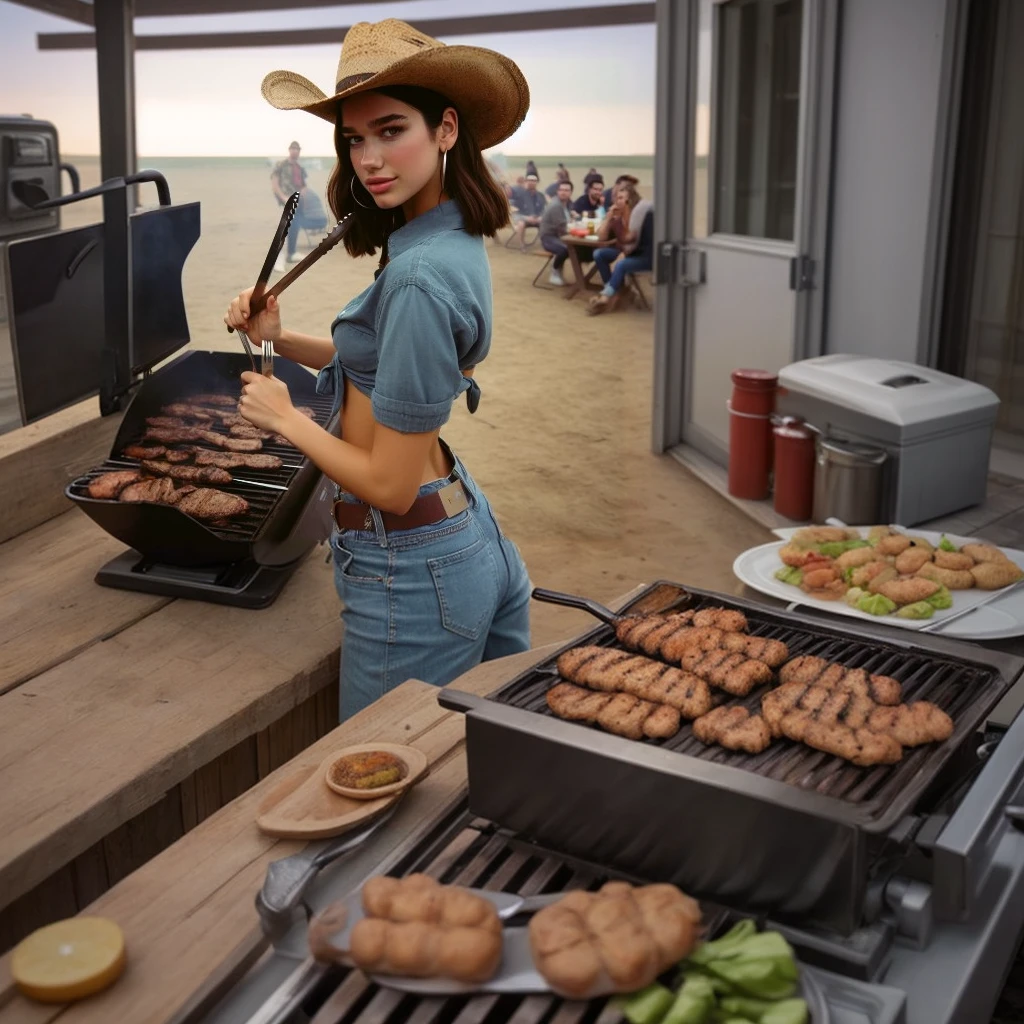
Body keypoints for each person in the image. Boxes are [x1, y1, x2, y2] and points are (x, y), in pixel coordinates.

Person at [226, 18, 533, 721]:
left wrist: (282, 417)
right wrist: (284, 338)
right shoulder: (444, 237)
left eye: (392, 130)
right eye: (355, 138)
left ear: (447, 129)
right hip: (463, 536)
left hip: (412, 568)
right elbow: (385, 366)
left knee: (379, 796)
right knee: (470, 774)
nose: (369, 157)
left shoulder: (420, 275)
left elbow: (390, 486)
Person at [588, 189, 655, 316]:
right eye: (616, 198)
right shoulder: (617, 217)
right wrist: (608, 219)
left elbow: (637, 242)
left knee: (621, 264)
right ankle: (616, 290)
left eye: (621, 198)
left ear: (629, 201)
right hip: (627, 253)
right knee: (599, 254)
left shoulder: (640, 218)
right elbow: (601, 238)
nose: (617, 201)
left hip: (645, 256)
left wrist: (625, 254)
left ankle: (605, 296)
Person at [270, 141, 310, 265]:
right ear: (289, 150)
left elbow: (303, 185)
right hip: (285, 200)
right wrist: (283, 197)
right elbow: (275, 182)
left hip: (297, 200)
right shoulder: (281, 165)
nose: (295, 151)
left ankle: (291, 253)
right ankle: (283, 255)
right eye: (293, 149)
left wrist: (304, 197)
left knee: (295, 226)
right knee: (286, 226)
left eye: (297, 149)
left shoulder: (300, 168)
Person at [539, 179, 574, 286]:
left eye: (566, 190)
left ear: (571, 192)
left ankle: (558, 273)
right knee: (565, 249)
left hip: (557, 236)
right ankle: (554, 272)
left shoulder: (565, 204)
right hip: (548, 238)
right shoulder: (556, 206)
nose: (563, 192)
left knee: (571, 248)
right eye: (561, 190)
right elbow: (562, 229)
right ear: (557, 191)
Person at [511, 172, 546, 250]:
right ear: (525, 182)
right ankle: (522, 245)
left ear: (537, 182)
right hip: (522, 218)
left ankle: (546, 243)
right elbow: (514, 211)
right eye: (529, 180)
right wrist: (526, 218)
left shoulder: (540, 195)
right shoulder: (519, 195)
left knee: (547, 222)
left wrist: (540, 217)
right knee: (521, 224)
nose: (531, 182)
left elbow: (544, 210)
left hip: (537, 218)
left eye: (534, 180)